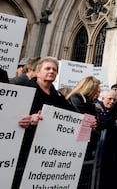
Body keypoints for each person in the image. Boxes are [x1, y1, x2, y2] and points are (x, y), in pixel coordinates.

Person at [13, 57, 74, 189]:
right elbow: (8, 113)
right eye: (47, 68)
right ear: (37, 71)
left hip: (44, 153)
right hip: (22, 148)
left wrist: (88, 122)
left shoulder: (57, 96)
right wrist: (28, 118)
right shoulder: (23, 87)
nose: (51, 71)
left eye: (54, 70)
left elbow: (73, 116)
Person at [94, 90, 117, 189]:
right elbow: (103, 124)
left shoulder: (113, 111)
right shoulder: (97, 108)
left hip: (108, 150)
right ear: (103, 98)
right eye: (110, 99)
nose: (112, 101)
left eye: (114, 99)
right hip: (97, 148)